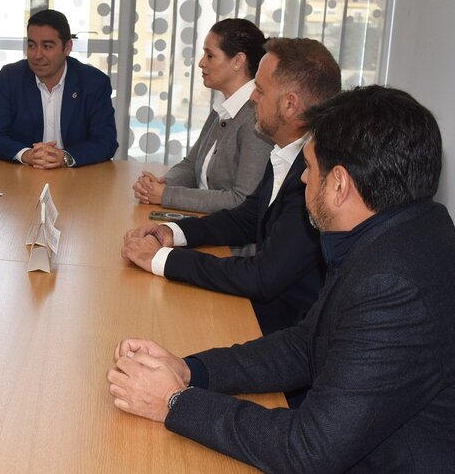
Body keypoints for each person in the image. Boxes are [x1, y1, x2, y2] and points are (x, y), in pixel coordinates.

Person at [107, 86, 455, 472]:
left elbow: (310, 450)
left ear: (339, 185)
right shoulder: (397, 232)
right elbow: (307, 344)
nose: (303, 179)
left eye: (309, 167)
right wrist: (191, 371)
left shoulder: (393, 283)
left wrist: (174, 401)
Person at [122, 38, 341, 335]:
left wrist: (160, 259)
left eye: (260, 91)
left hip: (284, 333)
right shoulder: (285, 151)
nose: (252, 98)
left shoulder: (315, 177)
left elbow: (262, 276)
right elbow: (248, 216)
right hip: (263, 314)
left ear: (290, 105)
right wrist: (174, 233)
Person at [132, 19, 272, 213]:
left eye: (210, 55)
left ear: (238, 61)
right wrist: (161, 184)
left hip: (230, 240)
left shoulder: (256, 118)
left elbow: (241, 200)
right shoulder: (223, 108)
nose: (201, 63)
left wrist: (166, 195)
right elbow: (191, 165)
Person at [0, 8, 118, 168]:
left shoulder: (93, 82)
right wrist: (26, 154)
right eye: (32, 45)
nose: (37, 55)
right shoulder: (11, 77)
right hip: (23, 176)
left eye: (47, 46)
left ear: (67, 47)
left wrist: (64, 157)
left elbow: (105, 142)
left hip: (76, 178)